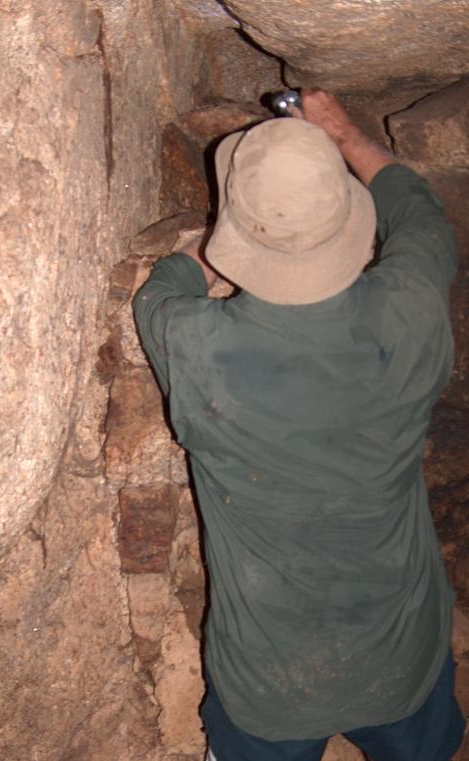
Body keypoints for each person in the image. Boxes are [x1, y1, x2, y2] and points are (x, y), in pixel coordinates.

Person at [133, 89, 466, 761]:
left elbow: (160, 291)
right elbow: (415, 209)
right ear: (348, 218)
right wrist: (341, 132)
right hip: (404, 661)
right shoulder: (413, 306)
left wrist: (229, 235)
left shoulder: (199, 348)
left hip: (269, 687)